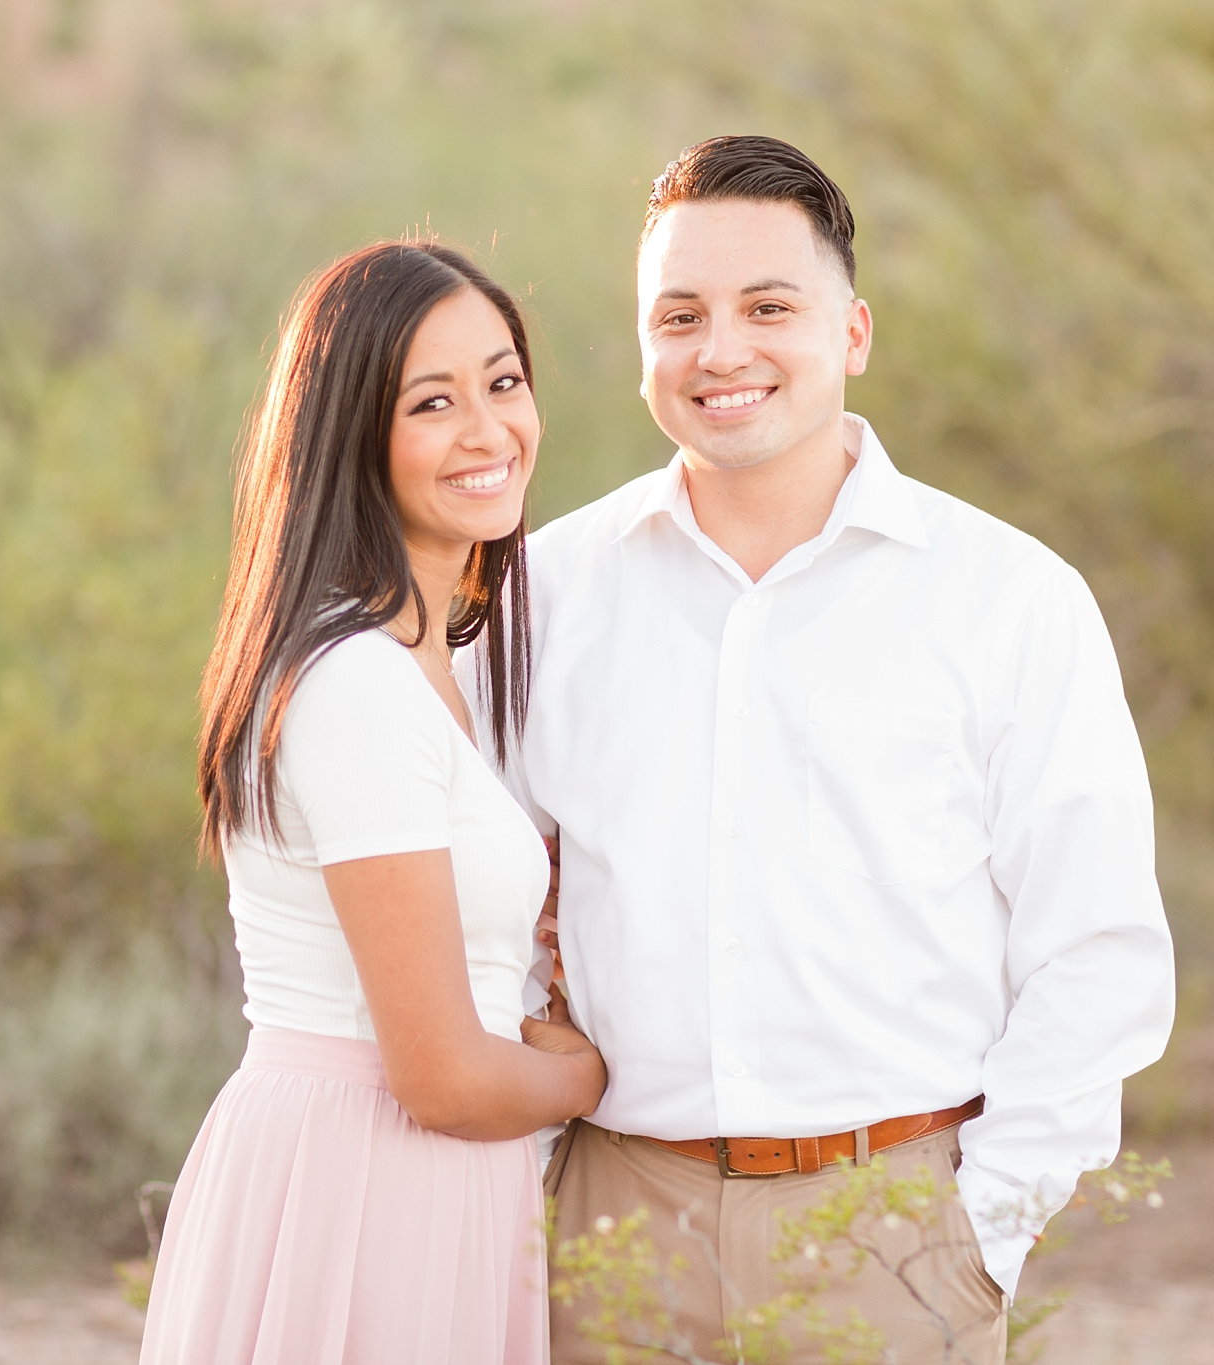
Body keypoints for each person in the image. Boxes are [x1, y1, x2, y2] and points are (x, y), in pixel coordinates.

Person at [466, 135, 1177, 1364]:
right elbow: (487, 929)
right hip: (610, 1229)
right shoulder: (539, 599)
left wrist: (977, 1235)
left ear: (850, 334)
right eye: (677, 314)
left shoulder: (1007, 598)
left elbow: (1094, 950)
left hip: (894, 1231)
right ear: (641, 350)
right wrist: (527, 1198)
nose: (719, 350)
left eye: (766, 307)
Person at [139, 240, 607, 1365]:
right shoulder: (354, 681)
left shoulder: (428, 661)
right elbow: (440, 1077)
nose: (488, 430)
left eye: (502, 382)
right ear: (351, 435)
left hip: (402, 1177)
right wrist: (587, 1074)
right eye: (431, 402)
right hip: (365, 1183)